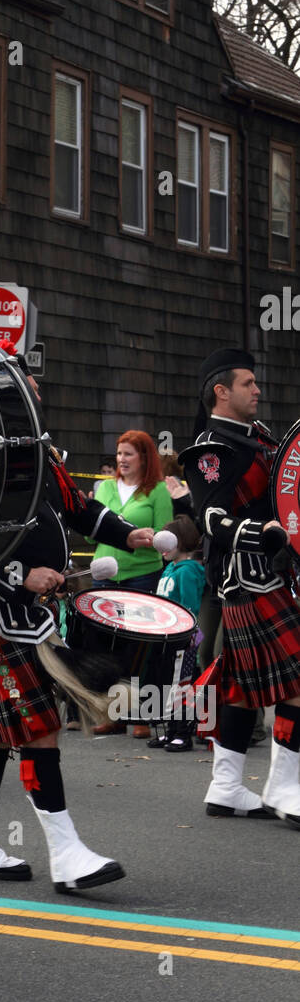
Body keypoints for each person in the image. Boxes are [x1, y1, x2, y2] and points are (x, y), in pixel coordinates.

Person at [0, 364, 155, 893]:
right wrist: (18, 573)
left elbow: (78, 508)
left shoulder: (35, 452)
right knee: (37, 730)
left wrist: (131, 536)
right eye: (27, 389)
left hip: (28, 618)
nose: (37, 395)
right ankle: (65, 853)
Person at [180, 348, 300, 828]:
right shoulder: (211, 448)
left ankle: (226, 786)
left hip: (272, 573)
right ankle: (285, 786)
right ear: (221, 391)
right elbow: (209, 516)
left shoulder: (260, 438)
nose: (258, 389)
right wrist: (263, 533)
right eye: (248, 383)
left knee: (240, 685)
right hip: (246, 577)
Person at [90, 431, 174, 592]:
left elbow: (164, 540)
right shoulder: (104, 487)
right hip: (103, 576)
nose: (121, 459)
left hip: (144, 577)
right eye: (119, 453)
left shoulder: (159, 490)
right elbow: (90, 538)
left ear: (143, 458)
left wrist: (132, 533)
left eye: (128, 454)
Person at [151, 514, 207, 752]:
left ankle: (183, 732)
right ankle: (170, 730)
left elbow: (190, 607)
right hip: (166, 638)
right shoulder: (169, 570)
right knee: (167, 683)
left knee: (182, 685)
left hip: (185, 639)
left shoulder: (188, 571)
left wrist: (189, 638)